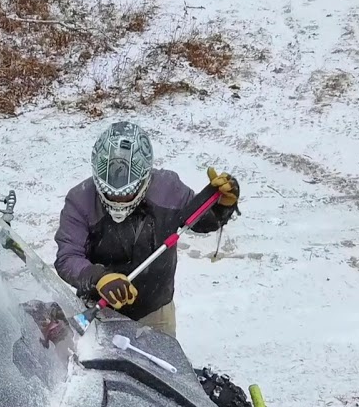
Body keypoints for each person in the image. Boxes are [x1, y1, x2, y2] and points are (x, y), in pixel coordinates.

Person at [53, 121, 241, 338]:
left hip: (156, 312)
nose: (118, 200)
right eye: (110, 194)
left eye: (127, 194)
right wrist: (100, 278)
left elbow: (200, 220)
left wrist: (221, 206)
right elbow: (67, 257)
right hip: (98, 310)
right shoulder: (80, 201)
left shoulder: (168, 189)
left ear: (145, 177)